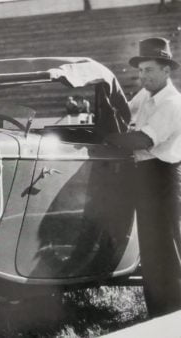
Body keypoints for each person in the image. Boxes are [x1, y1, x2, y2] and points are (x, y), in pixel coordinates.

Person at [106, 37, 181, 318]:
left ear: (166, 70)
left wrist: (108, 139)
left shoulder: (173, 103)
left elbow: (141, 139)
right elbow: (123, 115)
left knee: (168, 247)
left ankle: (175, 314)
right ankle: (157, 314)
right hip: (145, 178)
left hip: (164, 178)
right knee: (149, 249)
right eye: (141, 71)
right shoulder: (144, 96)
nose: (143, 76)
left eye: (149, 70)